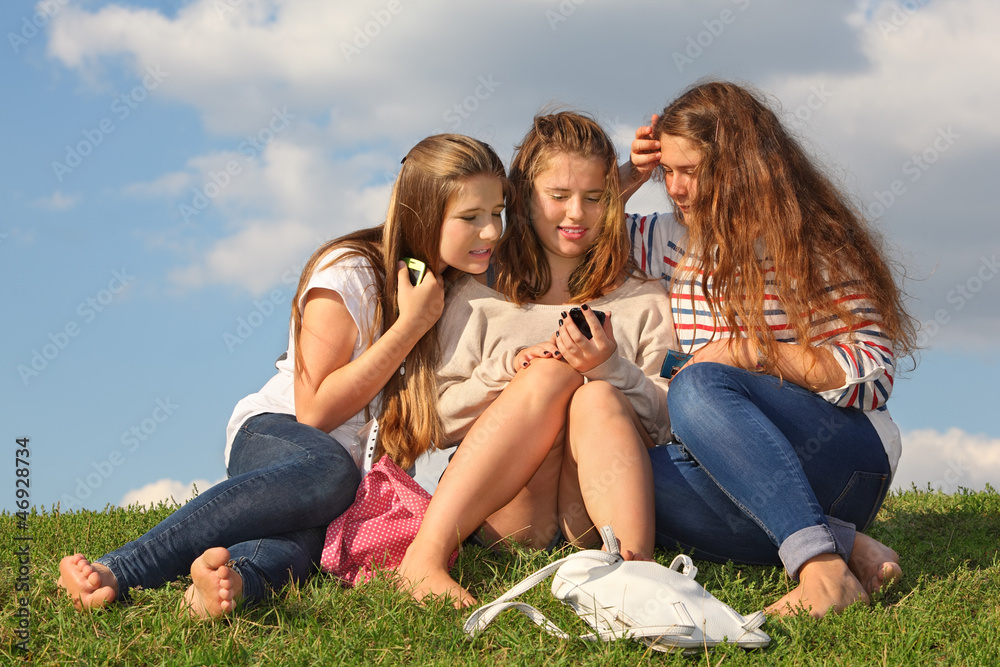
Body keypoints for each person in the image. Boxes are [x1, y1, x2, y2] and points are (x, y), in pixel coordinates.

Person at [57, 134, 507, 618]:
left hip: (346, 482)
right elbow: (314, 411)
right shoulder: (351, 269)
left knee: (303, 545)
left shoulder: (460, 295)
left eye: (497, 213)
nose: (491, 233)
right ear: (423, 212)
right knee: (329, 472)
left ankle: (225, 587)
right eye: (471, 218)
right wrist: (410, 326)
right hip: (279, 433)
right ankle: (119, 569)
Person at [622, 80, 918, 618]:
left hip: (846, 459)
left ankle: (821, 573)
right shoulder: (670, 237)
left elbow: (875, 374)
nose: (677, 188)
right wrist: (630, 174)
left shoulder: (813, 241)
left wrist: (753, 352)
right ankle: (841, 545)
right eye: (668, 171)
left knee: (698, 383)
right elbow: (571, 233)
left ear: (741, 167)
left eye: (693, 171)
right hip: (739, 467)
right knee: (630, 482)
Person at [395, 111, 676, 606]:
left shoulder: (644, 296)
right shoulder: (476, 296)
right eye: (559, 197)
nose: (576, 215)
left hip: (598, 516)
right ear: (523, 198)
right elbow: (434, 423)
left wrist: (611, 370)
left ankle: (638, 575)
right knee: (548, 375)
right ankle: (426, 557)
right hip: (510, 516)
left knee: (597, 398)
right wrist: (509, 368)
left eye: (594, 199)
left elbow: (674, 419)